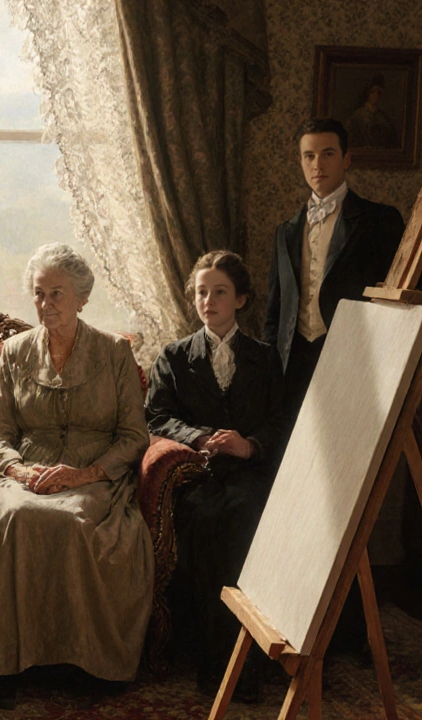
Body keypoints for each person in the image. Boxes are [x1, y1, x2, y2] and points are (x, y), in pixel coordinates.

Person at [0, 243, 153, 708]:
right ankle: (3, 664)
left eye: (57, 294)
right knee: (17, 518)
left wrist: (84, 473)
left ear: (82, 297)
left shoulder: (114, 353)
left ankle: (82, 662)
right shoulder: (15, 351)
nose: (45, 305)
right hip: (24, 472)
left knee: (77, 523)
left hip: (93, 474)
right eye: (39, 294)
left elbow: (133, 435)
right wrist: (20, 471)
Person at [146, 250, 286, 699]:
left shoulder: (264, 360)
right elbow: (157, 417)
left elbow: (280, 421)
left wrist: (249, 445)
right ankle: (212, 658)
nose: (208, 300)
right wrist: (201, 436)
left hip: (249, 473)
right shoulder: (174, 357)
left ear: (241, 299)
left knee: (244, 517)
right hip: (198, 474)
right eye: (201, 292)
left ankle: (248, 664)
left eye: (220, 292)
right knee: (206, 520)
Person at [264, 117, 422, 412]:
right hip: (293, 366)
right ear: (301, 162)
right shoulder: (286, 232)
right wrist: (270, 368)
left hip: (357, 360)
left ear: (346, 159)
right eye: (309, 156)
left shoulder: (379, 220)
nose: (318, 164)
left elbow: (421, 290)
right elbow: (275, 310)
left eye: (328, 154)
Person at [344, 74, 399, 149]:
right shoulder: (358, 115)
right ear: (367, 93)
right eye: (372, 92)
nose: (376, 95)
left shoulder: (384, 117)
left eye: (379, 92)